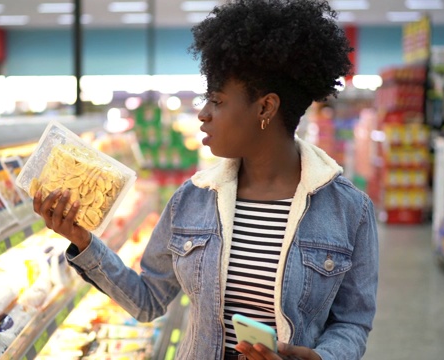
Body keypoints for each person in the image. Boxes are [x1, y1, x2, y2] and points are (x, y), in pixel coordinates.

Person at [33, 0, 378, 359]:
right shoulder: (192, 200)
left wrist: (323, 357)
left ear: (265, 108)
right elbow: (148, 300)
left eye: (216, 101)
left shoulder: (349, 211)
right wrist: (83, 241)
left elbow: (352, 323)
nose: (202, 114)